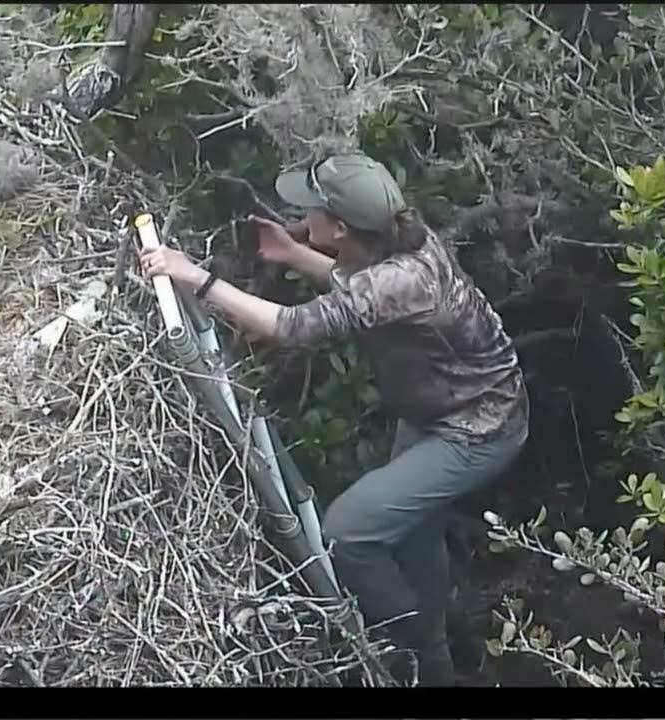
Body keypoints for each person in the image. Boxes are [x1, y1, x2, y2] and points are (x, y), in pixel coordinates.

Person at [138, 153, 529, 686]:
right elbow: (362, 291)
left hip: (477, 428)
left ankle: (412, 654)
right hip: (442, 410)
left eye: (312, 209)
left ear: (342, 226)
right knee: (412, 537)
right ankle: (449, 650)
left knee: (348, 532)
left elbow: (292, 326)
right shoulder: (406, 242)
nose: (302, 213)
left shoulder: (401, 276)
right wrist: (296, 252)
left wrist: (193, 277)